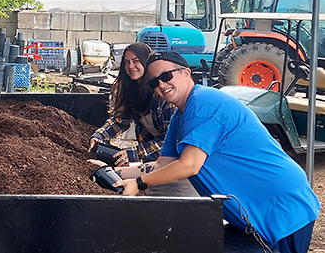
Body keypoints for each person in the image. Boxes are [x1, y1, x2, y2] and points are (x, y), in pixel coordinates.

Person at [91, 50, 320, 253]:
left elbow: (189, 165)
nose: (160, 84)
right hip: (253, 215)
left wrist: (139, 183)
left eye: (166, 76)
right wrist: (117, 173)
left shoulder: (203, 104)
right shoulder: (180, 117)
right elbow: (163, 164)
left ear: (186, 73)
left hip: (279, 207)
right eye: (154, 82)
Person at [89, 42, 175, 166]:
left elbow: (171, 142)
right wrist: (99, 136)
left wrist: (133, 153)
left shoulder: (162, 94)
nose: (131, 66)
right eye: (127, 62)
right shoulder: (132, 89)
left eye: (136, 61)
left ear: (147, 62)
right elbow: (120, 120)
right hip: (155, 157)